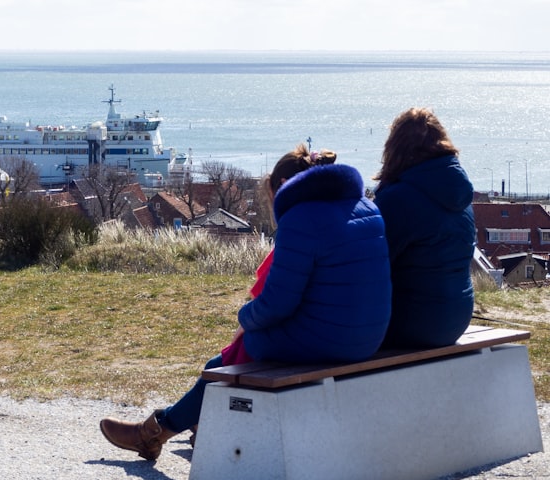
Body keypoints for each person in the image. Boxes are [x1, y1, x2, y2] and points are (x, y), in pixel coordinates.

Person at [99, 144, 392, 461]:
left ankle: (155, 433)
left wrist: (245, 316)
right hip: (369, 337)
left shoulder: (302, 218)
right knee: (229, 359)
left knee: (224, 364)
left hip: (333, 342)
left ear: (283, 187)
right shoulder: (366, 207)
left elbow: (277, 303)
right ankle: (179, 426)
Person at [372, 108, 475, 349]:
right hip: (456, 320)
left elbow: (370, 263)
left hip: (412, 323)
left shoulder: (399, 199)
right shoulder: (460, 197)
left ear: (395, 148)